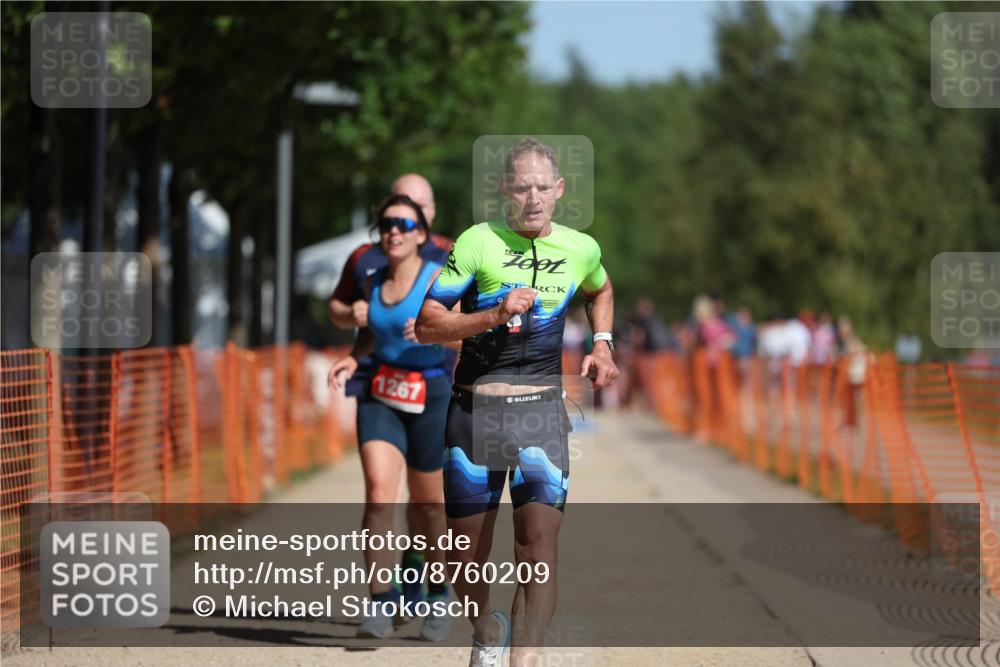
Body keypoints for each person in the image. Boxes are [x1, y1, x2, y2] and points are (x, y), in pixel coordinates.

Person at [416, 137, 618, 667]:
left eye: (542, 187)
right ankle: (485, 631)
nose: (532, 198)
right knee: (465, 556)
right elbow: (428, 322)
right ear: (506, 189)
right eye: (522, 187)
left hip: (542, 415)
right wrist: (491, 314)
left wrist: (603, 343)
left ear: (559, 190)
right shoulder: (478, 242)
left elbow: (600, 289)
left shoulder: (581, 248)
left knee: (538, 551)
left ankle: (522, 661)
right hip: (473, 414)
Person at [327, 194, 454, 641]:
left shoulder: (438, 278)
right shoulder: (372, 278)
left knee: (429, 508)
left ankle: (438, 592)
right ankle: (381, 602)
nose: (393, 231)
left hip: (431, 393)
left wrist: (434, 329)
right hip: (381, 392)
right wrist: (351, 357)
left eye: (402, 224)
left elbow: (469, 333)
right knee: (380, 496)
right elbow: (369, 334)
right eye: (385, 225)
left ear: (422, 234)